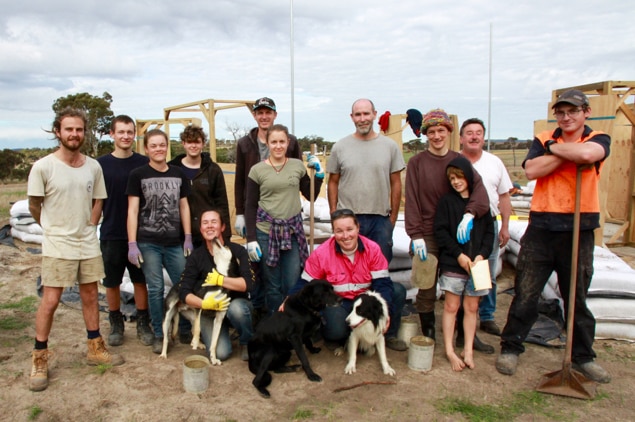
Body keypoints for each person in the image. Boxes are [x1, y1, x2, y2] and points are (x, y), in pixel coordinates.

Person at [496, 89, 612, 384]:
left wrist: (555, 150)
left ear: (586, 112)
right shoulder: (544, 137)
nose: (566, 117)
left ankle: (584, 356)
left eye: (572, 111)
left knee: (577, 295)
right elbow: (532, 170)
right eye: (561, 112)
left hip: (579, 227)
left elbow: (588, 154)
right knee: (526, 291)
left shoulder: (598, 137)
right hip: (542, 227)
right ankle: (511, 346)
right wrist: (566, 155)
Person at [27, 107, 124, 392]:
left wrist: (89, 225)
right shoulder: (43, 167)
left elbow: (98, 200)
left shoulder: (93, 166)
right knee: (52, 299)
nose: (74, 134)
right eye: (69, 129)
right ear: (58, 132)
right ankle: (40, 356)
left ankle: (94, 347)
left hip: (87, 242)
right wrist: (50, 227)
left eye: (79, 129)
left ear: (85, 132)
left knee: (91, 294)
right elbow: (34, 204)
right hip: (57, 243)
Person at [404, 109, 491, 351]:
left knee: (466, 282)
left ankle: (465, 335)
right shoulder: (417, 163)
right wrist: (416, 235)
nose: (437, 136)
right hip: (428, 233)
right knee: (426, 283)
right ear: (426, 135)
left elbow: (480, 190)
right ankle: (429, 332)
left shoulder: (458, 161)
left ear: (449, 132)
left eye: (441, 130)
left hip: (459, 233)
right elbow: (411, 199)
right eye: (431, 132)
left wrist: (469, 214)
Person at [291, 209, 408, 351]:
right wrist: (288, 300)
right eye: (339, 231)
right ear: (333, 232)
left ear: (358, 228)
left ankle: (387, 334)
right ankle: (347, 338)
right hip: (339, 302)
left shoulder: (373, 249)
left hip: (365, 299)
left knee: (398, 291)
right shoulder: (322, 253)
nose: (345, 236)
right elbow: (304, 283)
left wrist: (385, 311)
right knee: (335, 331)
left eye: (349, 229)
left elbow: (382, 283)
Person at [126, 128, 194, 354]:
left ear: (168, 147)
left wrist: (187, 237)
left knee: (184, 284)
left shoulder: (178, 174)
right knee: (155, 289)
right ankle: (159, 333)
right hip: (148, 242)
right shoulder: (138, 174)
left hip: (175, 242)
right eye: (153, 145)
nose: (158, 149)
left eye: (162, 145)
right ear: (146, 149)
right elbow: (133, 210)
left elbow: (184, 206)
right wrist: (132, 243)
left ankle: (184, 328)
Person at [234, 97, 302, 319]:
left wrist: (317, 174)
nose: (264, 116)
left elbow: (300, 178)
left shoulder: (290, 142)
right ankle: (263, 318)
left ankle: (286, 319)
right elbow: (240, 183)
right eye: (260, 112)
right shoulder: (245, 144)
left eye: (268, 112)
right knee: (260, 273)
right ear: (255, 115)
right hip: (260, 219)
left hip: (287, 220)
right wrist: (241, 214)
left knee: (289, 277)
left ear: (275, 115)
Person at [245, 124, 323, 315]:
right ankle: (275, 322)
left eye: (282, 141)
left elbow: (310, 195)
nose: (278, 146)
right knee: (272, 284)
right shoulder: (257, 170)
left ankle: (292, 320)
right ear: (267, 143)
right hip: (266, 232)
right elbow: (250, 206)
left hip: (292, 232)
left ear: (288, 142)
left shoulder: (297, 165)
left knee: (292, 281)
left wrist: (319, 175)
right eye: (274, 142)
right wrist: (251, 239)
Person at [97, 115, 154, 347]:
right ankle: (116, 322)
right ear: (112, 134)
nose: (126, 136)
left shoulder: (143, 162)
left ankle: (143, 322)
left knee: (140, 280)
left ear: (134, 134)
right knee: (112, 281)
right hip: (111, 232)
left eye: (130, 132)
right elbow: (96, 201)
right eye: (121, 132)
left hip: (140, 235)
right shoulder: (100, 164)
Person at [326, 98, 405, 263]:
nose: (362, 119)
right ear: (352, 117)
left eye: (366, 114)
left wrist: (392, 219)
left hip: (380, 219)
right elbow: (333, 181)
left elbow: (396, 182)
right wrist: (334, 213)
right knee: (348, 266)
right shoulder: (340, 147)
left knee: (380, 268)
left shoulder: (389, 147)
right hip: (348, 218)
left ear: (374, 115)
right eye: (358, 115)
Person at [435, 156, 495, 371]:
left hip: (478, 265)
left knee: (472, 307)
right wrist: (459, 255)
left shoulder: (481, 204)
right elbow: (441, 232)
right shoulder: (447, 202)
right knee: (451, 306)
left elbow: (490, 233)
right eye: (451, 178)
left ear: (468, 177)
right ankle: (450, 350)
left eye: (459, 177)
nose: (455, 181)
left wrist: (481, 255)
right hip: (454, 263)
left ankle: (468, 349)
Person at [460, 118, 513, 336]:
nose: (474, 137)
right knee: (459, 269)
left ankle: (487, 315)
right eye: (469, 133)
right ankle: (460, 314)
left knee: (485, 271)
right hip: (460, 226)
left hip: (487, 224)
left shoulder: (494, 162)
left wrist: (505, 226)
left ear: (483, 137)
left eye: (478, 133)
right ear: (462, 138)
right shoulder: (454, 162)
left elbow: (504, 196)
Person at [179, 208, 255, 361]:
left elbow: (249, 284)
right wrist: (204, 303)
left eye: (214, 222)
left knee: (237, 310)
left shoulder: (237, 251)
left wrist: (220, 280)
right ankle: (223, 332)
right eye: (205, 223)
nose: (209, 226)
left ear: (223, 227)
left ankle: (247, 342)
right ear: (200, 229)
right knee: (221, 353)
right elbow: (184, 291)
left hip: (234, 303)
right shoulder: (196, 257)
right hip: (209, 310)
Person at [169, 124, 231, 246]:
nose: (193, 146)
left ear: (203, 144)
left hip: (208, 234)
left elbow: (222, 204)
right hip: (179, 235)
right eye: (189, 142)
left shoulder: (213, 170)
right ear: (183, 144)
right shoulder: (172, 169)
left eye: (197, 142)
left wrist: (225, 236)